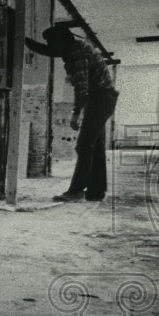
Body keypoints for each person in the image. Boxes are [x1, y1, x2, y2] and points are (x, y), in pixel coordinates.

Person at [26, 24, 119, 202]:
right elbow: (51, 51)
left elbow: (82, 87)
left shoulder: (76, 53)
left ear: (61, 41)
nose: (50, 47)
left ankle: (76, 190)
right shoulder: (72, 47)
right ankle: (96, 192)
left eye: (51, 43)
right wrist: (26, 42)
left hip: (100, 98)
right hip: (103, 98)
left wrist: (75, 113)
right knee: (95, 147)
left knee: (83, 145)